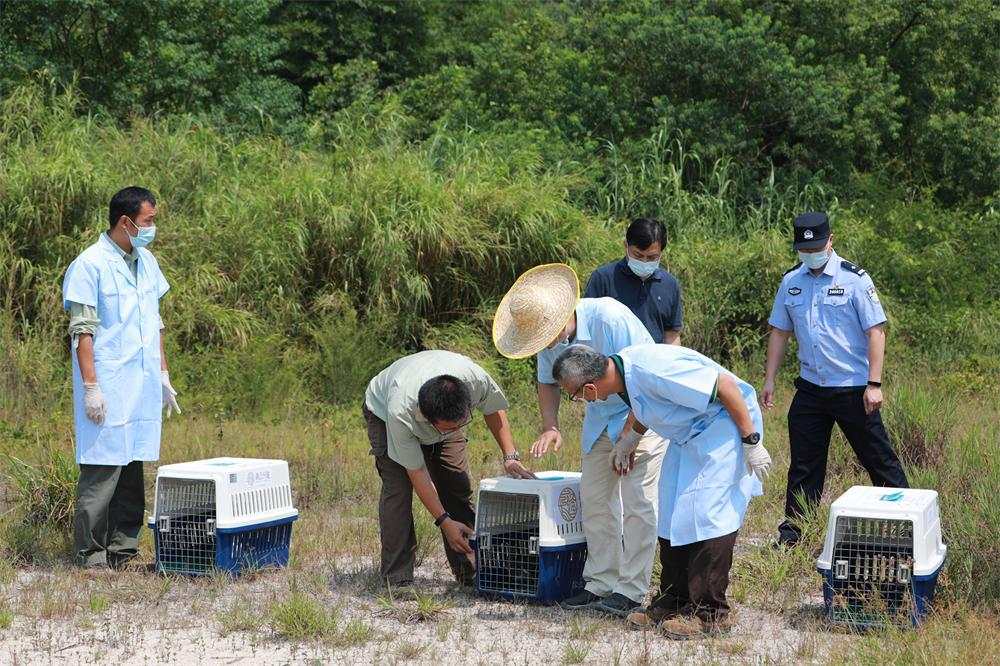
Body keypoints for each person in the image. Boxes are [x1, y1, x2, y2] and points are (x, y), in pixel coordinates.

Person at [551, 344, 771, 639]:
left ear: (590, 389)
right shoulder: (624, 374)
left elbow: (724, 385)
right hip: (687, 435)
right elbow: (649, 404)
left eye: (574, 395)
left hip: (724, 425)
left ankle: (710, 614)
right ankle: (673, 600)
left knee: (707, 516)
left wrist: (751, 440)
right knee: (669, 512)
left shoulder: (651, 369)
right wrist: (629, 439)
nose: (578, 400)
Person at [492, 263, 666, 617]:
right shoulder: (545, 336)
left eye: (544, 338)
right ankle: (601, 583)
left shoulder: (609, 318)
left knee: (638, 503)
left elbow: (649, 375)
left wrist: (631, 435)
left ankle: (631, 591)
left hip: (642, 417)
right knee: (596, 502)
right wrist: (551, 426)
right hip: (599, 423)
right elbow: (546, 381)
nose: (543, 347)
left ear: (559, 319)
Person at [762, 211, 908, 548]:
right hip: (811, 389)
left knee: (879, 460)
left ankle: (907, 524)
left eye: (816, 247)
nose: (810, 254)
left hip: (853, 389)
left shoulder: (854, 279)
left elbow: (876, 331)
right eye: (804, 249)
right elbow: (780, 332)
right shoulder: (791, 282)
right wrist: (769, 379)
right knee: (804, 466)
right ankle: (793, 534)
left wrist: (874, 384)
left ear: (831, 240)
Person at [62, 186, 181, 570]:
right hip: (109, 381)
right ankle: (90, 555)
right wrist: (92, 388)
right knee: (102, 469)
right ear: (126, 222)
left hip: (141, 382)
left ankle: (123, 549)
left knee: (132, 467)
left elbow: (155, 322)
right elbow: (83, 331)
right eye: (149, 221)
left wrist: (163, 373)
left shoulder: (147, 262)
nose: (153, 227)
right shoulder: (90, 264)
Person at [363, 350, 534, 587]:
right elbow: (417, 472)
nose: (454, 430)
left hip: (441, 409)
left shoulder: (475, 380)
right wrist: (443, 521)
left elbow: (493, 408)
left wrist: (510, 456)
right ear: (427, 419)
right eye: (446, 428)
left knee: (457, 486)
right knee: (398, 492)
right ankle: (397, 578)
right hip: (381, 411)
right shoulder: (400, 411)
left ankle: (472, 572)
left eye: (460, 424)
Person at [584, 217, 683, 344]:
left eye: (652, 257)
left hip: (652, 361)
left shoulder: (670, 285)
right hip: (611, 361)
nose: (644, 261)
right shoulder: (603, 278)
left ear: (661, 252)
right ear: (626, 245)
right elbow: (587, 327)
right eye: (638, 255)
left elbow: (672, 335)